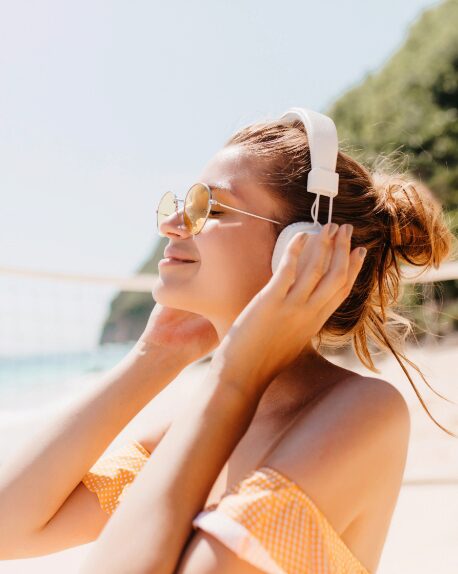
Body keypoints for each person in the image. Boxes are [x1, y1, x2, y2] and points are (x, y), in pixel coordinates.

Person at [0, 113, 454, 573]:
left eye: (210, 209)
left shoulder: (361, 411)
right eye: (183, 203)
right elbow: (8, 528)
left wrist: (233, 376)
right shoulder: (199, 426)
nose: (173, 224)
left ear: (302, 246)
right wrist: (154, 356)